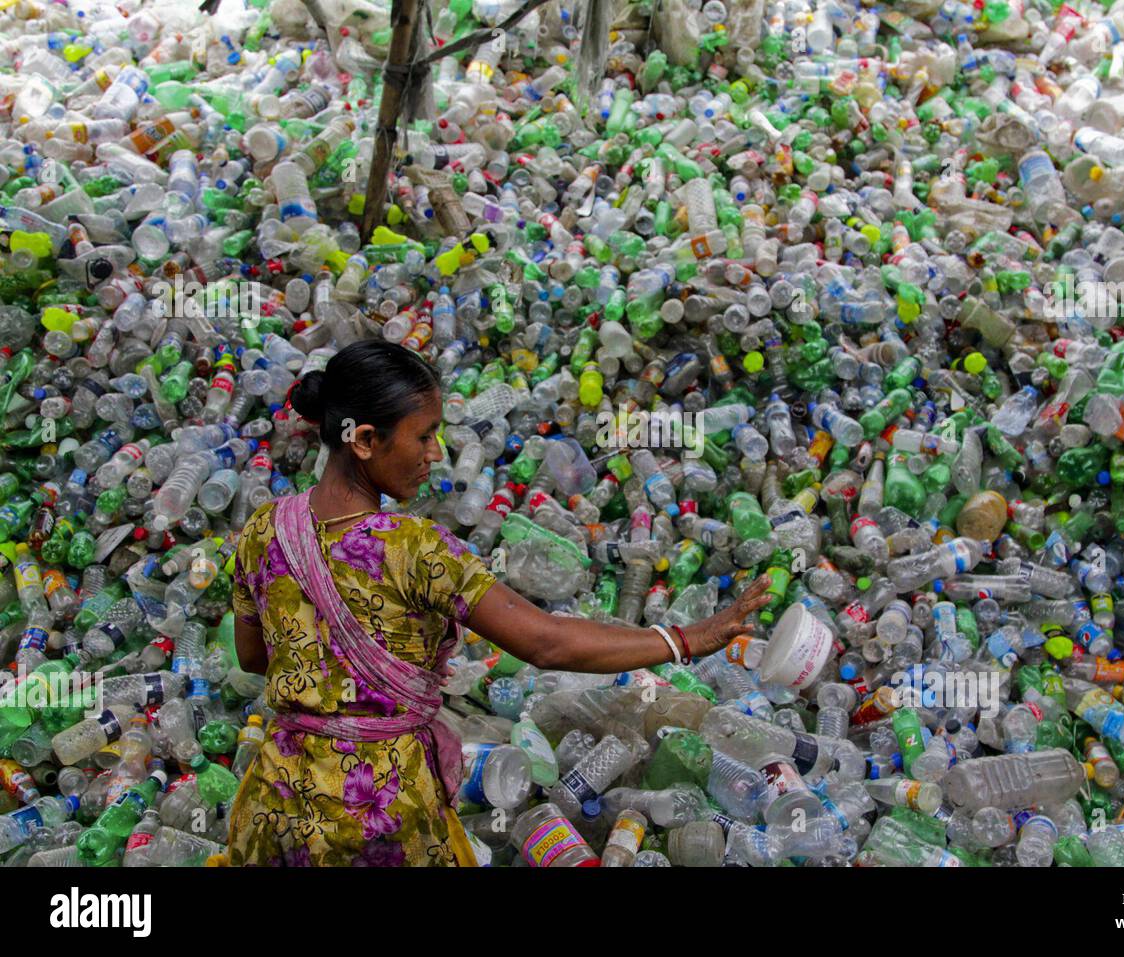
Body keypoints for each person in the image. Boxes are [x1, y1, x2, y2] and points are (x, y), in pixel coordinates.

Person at [226, 339, 772, 866]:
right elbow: (544, 642)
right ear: (364, 440)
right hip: (375, 816)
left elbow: (252, 658)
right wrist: (682, 639)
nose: (436, 455)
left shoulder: (263, 529)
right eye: (425, 436)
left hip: (278, 803)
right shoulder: (413, 546)